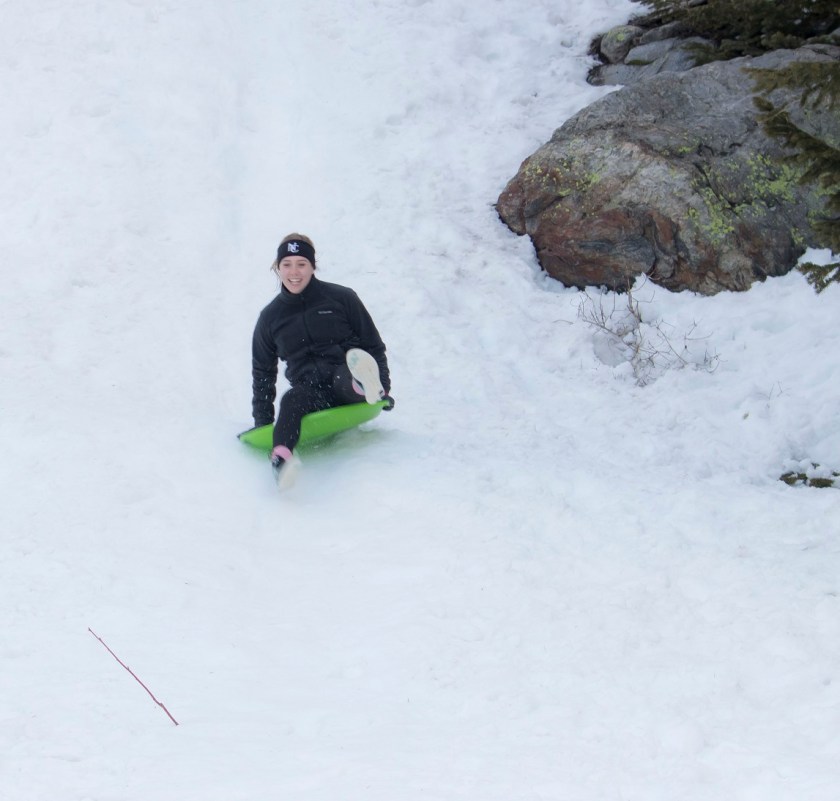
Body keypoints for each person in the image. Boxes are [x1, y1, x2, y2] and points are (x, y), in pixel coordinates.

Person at [251, 233, 392, 485]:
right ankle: (282, 460)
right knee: (291, 399)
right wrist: (263, 424)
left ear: (313, 266)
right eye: (287, 264)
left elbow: (373, 344)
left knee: (346, 374)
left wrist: (385, 386)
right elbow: (263, 373)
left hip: (345, 381)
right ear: (277, 268)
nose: (294, 272)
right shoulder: (270, 318)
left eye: (301, 264)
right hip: (311, 393)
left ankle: (367, 386)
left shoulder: (341, 298)